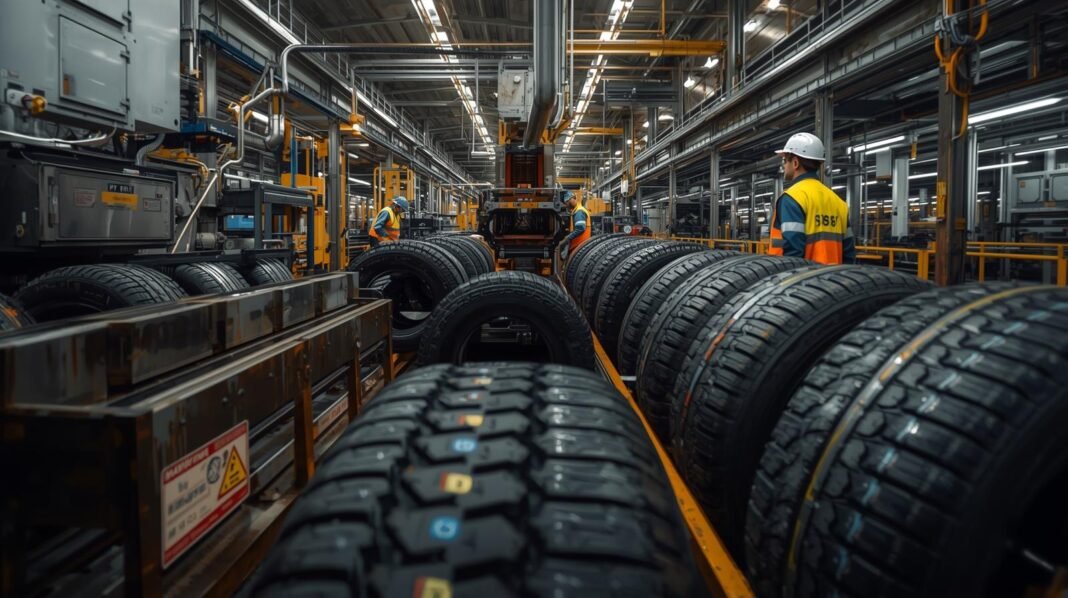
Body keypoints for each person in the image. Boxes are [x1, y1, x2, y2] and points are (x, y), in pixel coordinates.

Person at [770, 132, 856, 264]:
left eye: (785, 160)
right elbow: (849, 253)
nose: (783, 166)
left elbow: (793, 254)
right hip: (834, 280)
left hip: (804, 281)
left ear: (795, 163)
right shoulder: (838, 202)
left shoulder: (792, 197)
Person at [559, 190, 590, 260]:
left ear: (572, 199)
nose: (566, 205)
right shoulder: (576, 211)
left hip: (580, 246)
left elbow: (580, 228)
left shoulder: (579, 211)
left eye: (567, 202)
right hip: (578, 246)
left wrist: (566, 238)